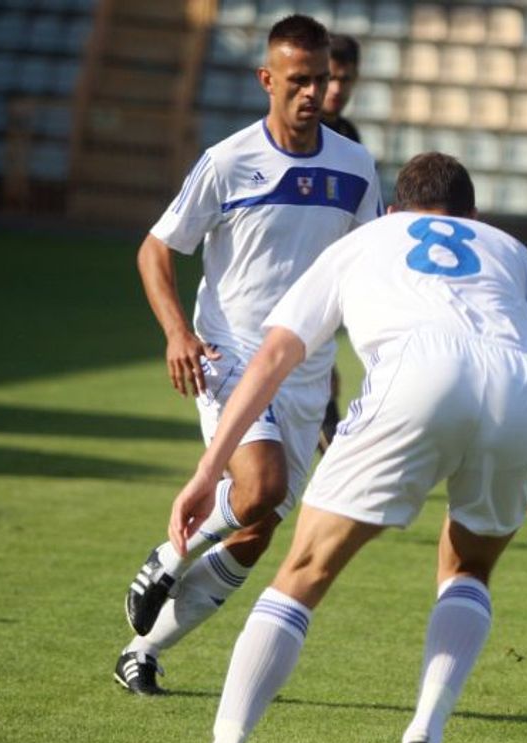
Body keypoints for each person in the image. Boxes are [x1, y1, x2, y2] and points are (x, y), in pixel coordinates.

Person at [150, 152, 527, 743]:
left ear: (394, 210)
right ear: (472, 217)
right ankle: (423, 734)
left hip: (417, 372)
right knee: (469, 568)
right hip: (517, 385)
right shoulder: (510, 252)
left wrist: (209, 471)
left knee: (302, 575)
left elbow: (272, 357)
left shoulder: (363, 241)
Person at [115, 15, 385, 695]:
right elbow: (156, 248)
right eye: (298, 81)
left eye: (320, 80)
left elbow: (372, 268)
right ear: (267, 80)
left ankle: (142, 649)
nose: (312, 93)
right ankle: (168, 554)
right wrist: (177, 332)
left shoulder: (354, 168)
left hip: (306, 371)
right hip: (230, 351)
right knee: (259, 487)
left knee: (259, 530)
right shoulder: (229, 161)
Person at [316, 32, 365, 452]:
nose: (334, 90)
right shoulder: (296, 132)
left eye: (344, 79)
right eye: (328, 78)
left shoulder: (349, 137)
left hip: (326, 292)